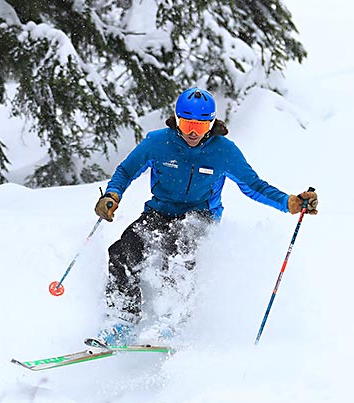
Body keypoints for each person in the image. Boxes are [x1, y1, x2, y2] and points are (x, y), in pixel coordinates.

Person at [94, 87, 318, 345]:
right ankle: (122, 317)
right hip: (160, 211)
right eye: (187, 123)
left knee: (179, 249)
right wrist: (112, 195)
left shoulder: (223, 151)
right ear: (176, 119)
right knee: (122, 250)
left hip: (201, 214)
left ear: (211, 124)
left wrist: (288, 202)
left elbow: (253, 186)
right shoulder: (157, 143)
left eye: (200, 127)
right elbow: (125, 170)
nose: (192, 132)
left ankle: (172, 322)